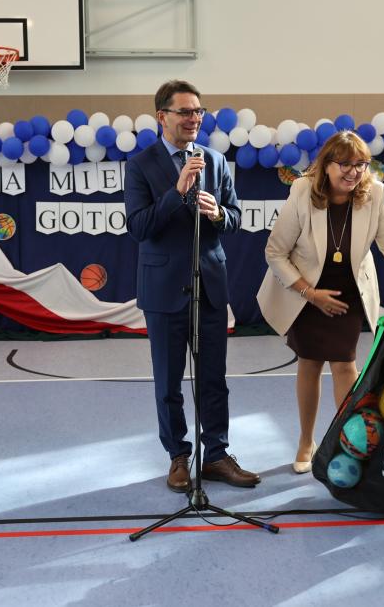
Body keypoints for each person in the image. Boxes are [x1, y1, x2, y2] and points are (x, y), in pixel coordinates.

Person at [256, 131, 384, 474]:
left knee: (345, 365)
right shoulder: (302, 191)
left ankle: (345, 442)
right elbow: (275, 252)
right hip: (306, 292)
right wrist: (310, 293)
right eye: (345, 164)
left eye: (361, 164)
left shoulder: (375, 194)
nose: (353, 172)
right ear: (327, 165)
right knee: (309, 363)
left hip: (347, 294)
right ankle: (306, 440)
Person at [124, 79, 260, 492]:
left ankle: (216, 455)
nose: (194, 118)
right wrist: (176, 191)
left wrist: (219, 213)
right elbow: (138, 227)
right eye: (185, 111)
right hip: (163, 289)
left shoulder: (215, 161)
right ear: (162, 117)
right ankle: (178, 457)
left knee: (213, 379)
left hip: (210, 287)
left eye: (198, 111)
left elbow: (235, 219)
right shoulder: (141, 164)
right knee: (168, 384)